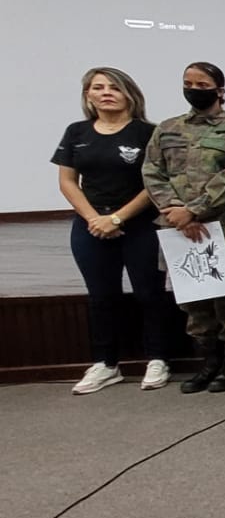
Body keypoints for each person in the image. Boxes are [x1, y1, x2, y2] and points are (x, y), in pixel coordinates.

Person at [142, 62, 225, 394]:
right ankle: (207, 363)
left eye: (202, 83)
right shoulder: (166, 129)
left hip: (223, 229)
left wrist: (194, 210)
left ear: (220, 90)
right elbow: (152, 171)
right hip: (177, 228)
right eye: (188, 83)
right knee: (194, 304)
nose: (194, 88)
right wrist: (176, 212)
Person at [54, 67, 167, 394]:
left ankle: (158, 358)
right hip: (90, 225)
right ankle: (105, 363)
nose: (106, 92)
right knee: (101, 296)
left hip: (140, 224)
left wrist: (117, 219)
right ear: (87, 95)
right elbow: (67, 182)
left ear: (129, 93)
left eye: (113, 87)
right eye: (97, 87)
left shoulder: (148, 132)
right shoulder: (76, 132)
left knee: (150, 293)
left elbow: (154, 185)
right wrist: (95, 219)